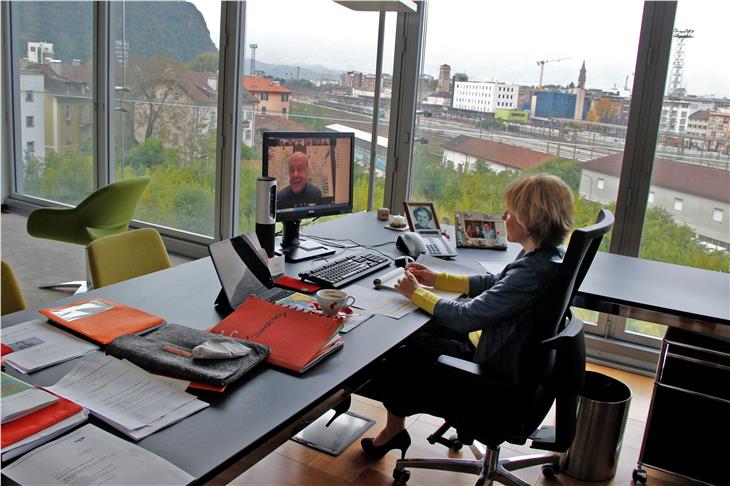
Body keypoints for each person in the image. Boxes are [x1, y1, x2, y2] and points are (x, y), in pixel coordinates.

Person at [360, 173, 574, 460]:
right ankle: (394, 430)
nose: (504, 217)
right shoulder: (545, 257)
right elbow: (497, 283)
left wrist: (416, 293)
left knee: (403, 351)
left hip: (492, 376)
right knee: (423, 331)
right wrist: (437, 279)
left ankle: (393, 430)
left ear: (530, 218)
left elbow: (466, 317)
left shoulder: (533, 272)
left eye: (511, 212)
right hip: (508, 357)